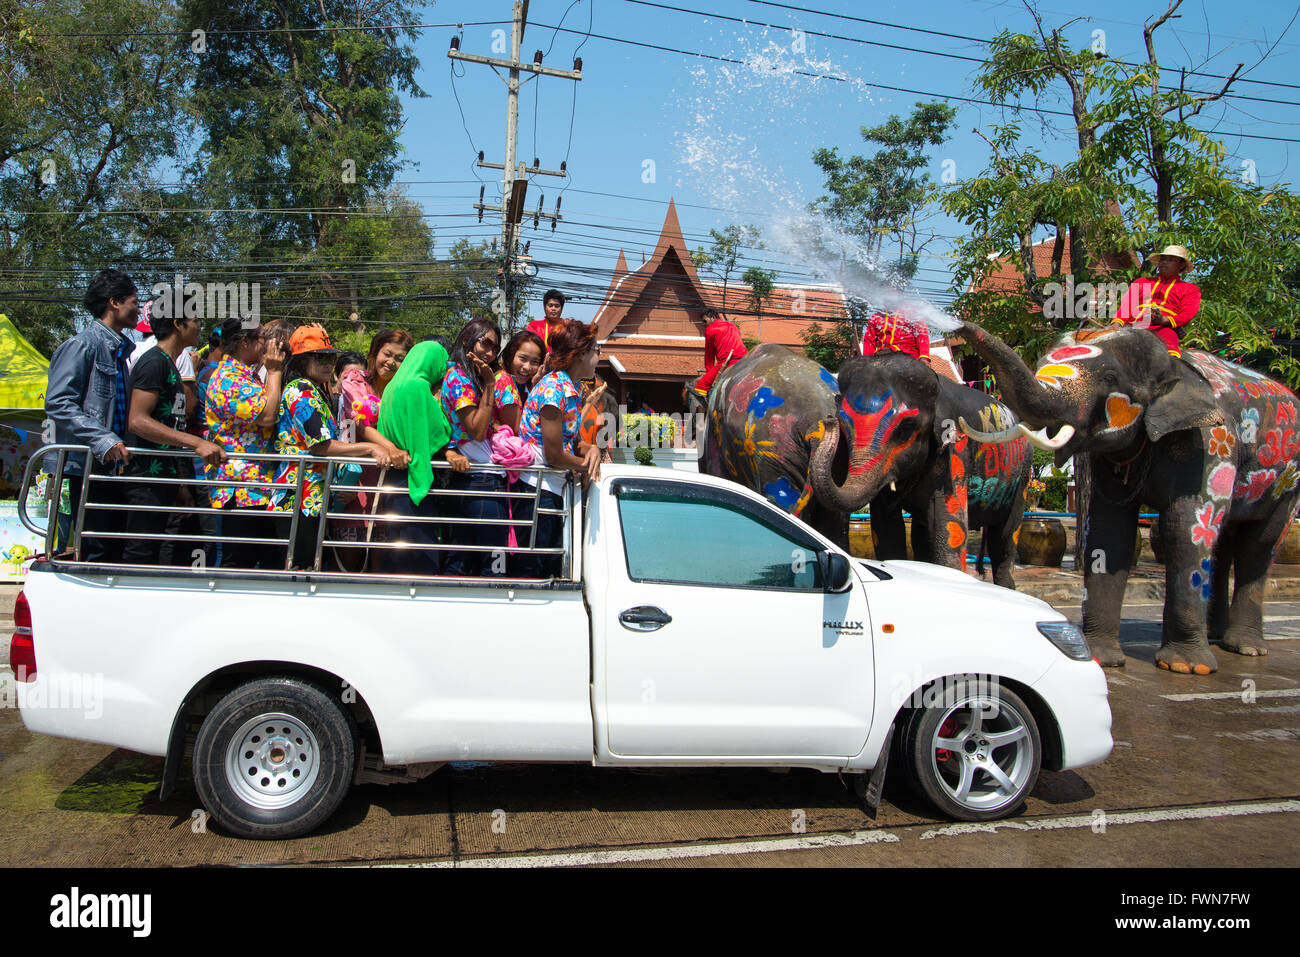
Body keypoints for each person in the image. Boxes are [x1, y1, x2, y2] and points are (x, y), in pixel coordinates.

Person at [274, 326, 399, 570]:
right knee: (300, 572)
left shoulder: (316, 390)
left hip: (313, 496)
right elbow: (321, 446)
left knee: (311, 569)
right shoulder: (301, 389)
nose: (328, 363)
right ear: (301, 360)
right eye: (320, 357)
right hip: (300, 497)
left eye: (331, 357)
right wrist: (371, 449)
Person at [44, 268, 139, 562]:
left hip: (112, 466)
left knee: (112, 548)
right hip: (87, 465)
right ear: (114, 302)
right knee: (95, 550)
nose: (138, 310)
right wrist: (104, 440)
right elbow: (59, 402)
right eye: (134, 302)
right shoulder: (83, 345)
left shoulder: (118, 351)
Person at [122, 310, 225, 565]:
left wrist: (179, 483)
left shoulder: (171, 363)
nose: (200, 327)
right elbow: (137, 421)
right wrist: (197, 442)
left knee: (160, 549)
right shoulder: (153, 362)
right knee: (140, 551)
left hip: (167, 477)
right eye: (196, 321)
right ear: (178, 324)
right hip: (146, 478)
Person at [516, 319, 602, 578]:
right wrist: (585, 465)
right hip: (536, 491)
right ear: (580, 354)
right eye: (596, 350)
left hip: (551, 488)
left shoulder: (569, 387)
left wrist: (590, 449)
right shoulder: (554, 390)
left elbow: (570, 439)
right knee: (535, 573)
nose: (599, 356)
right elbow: (554, 455)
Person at [204, 315, 286, 568]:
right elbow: (266, 416)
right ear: (243, 341)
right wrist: (274, 371)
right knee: (238, 564)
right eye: (262, 337)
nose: (266, 344)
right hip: (240, 488)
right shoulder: (229, 378)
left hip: (257, 485)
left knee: (267, 561)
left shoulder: (246, 376)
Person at [376, 341, 464, 574]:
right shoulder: (418, 387)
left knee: (399, 547)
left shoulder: (392, 386)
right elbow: (441, 432)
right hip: (414, 476)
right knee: (419, 553)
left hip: (394, 477)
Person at [440, 318, 513, 576]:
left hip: (477, 478)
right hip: (481, 481)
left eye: (495, 348)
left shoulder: (468, 376)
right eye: (486, 344)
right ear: (466, 340)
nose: (491, 353)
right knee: (494, 563)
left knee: (462, 560)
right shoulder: (459, 377)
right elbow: (478, 430)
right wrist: (491, 384)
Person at [1112, 244, 1201, 357]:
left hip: (1163, 329)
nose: (1164, 262)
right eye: (1162, 259)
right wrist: (1115, 324)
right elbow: (1126, 306)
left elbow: (1187, 315)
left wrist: (1163, 320)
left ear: (1181, 265)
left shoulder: (1190, 289)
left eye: (1170, 260)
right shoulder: (1141, 282)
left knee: (1170, 353)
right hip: (1134, 325)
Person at [496, 330, 546, 434]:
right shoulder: (503, 381)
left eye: (534, 362)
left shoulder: (527, 385)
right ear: (511, 355)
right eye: (522, 359)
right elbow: (519, 430)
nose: (527, 367)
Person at [692, 308, 749, 398]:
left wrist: (709, 373)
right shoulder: (732, 326)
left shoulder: (710, 329)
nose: (704, 324)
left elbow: (709, 356)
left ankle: (702, 412)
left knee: (700, 387)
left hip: (728, 362)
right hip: (745, 359)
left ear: (713, 317)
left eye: (705, 321)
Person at [860, 308, 932, 362]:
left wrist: (924, 357)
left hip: (909, 356)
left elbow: (922, 335)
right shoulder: (875, 317)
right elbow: (869, 341)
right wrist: (866, 361)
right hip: (881, 356)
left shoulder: (913, 314)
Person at [525, 289, 568, 356]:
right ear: (545, 307)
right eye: (550, 305)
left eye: (557, 306)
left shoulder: (567, 327)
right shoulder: (534, 326)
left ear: (561, 309)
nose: (553, 308)